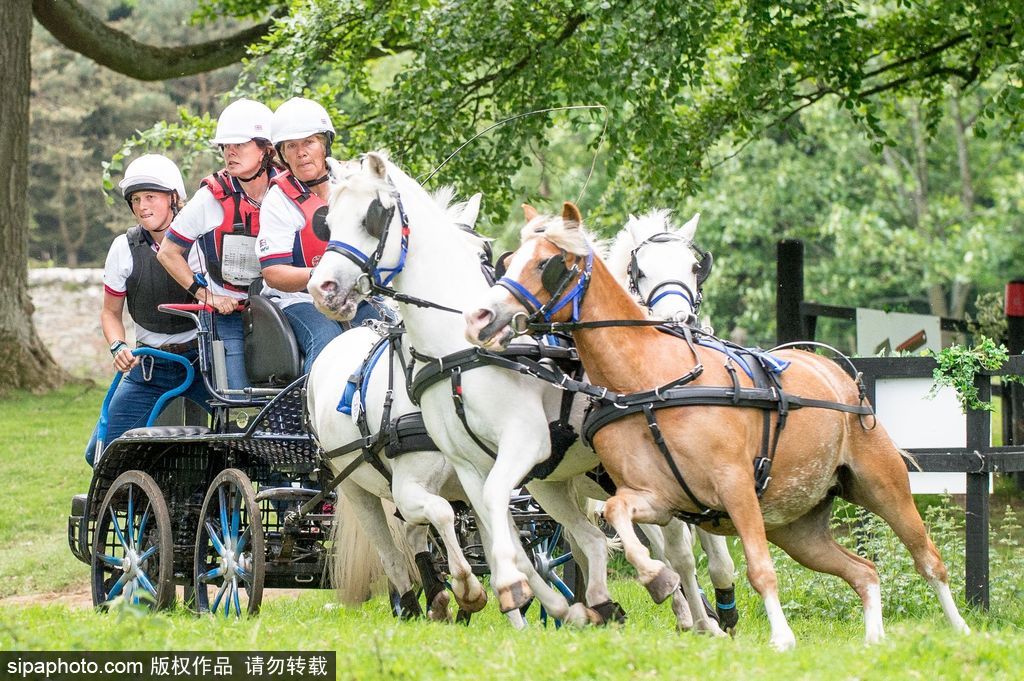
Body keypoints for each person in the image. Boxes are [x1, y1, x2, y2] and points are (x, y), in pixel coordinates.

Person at [85, 154, 212, 466]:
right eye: (136, 199)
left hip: (203, 365)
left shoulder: (202, 245)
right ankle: (139, 504)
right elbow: (111, 312)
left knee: (251, 442)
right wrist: (117, 344)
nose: (142, 207)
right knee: (101, 454)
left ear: (174, 199)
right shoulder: (123, 249)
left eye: (151, 197)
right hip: (150, 367)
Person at [157, 98, 279, 390]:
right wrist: (206, 296)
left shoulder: (290, 191)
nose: (230, 153)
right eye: (225, 147)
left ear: (266, 149)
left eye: (239, 145)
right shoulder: (210, 198)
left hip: (283, 308)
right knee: (236, 395)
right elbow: (168, 252)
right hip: (229, 314)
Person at [255, 97, 383, 372]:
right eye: (292, 146)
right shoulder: (278, 200)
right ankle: (312, 414)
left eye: (309, 142)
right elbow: (274, 273)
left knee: (389, 331)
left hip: (355, 292)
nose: (301, 153)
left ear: (325, 144)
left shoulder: (353, 180)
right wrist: (322, 276)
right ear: (283, 154)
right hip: (299, 300)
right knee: (326, 340)